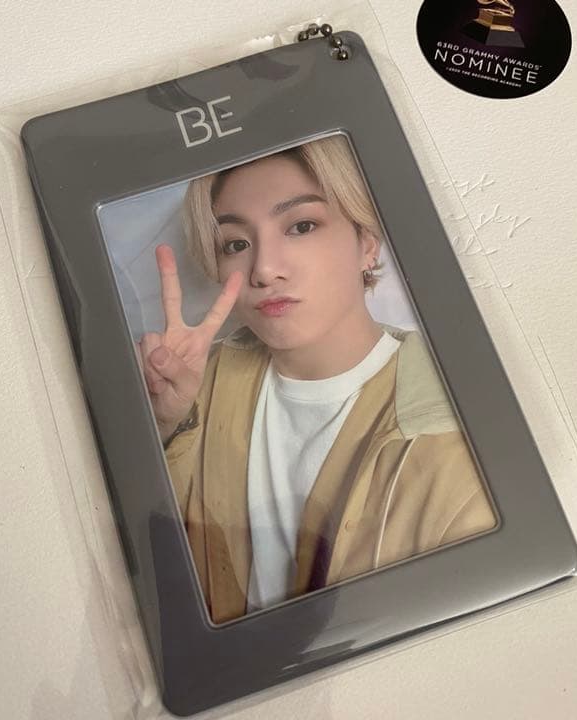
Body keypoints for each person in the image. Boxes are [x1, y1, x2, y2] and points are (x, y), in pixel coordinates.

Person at [137, 136, 497, 624]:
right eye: (236, 244)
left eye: (301, 226)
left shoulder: (459, 428)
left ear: (366, 244)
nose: (264, 270)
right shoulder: (192, 386)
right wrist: (162, 427)